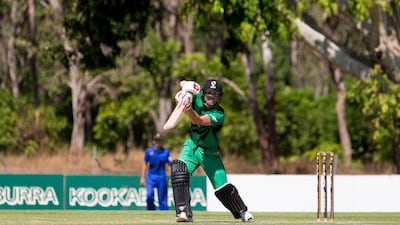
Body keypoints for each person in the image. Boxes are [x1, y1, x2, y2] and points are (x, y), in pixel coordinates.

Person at [170, 79, 253, 222]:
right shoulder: (196, 98)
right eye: (208, 93)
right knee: (179, 169)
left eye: (215, 94)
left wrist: (187, 107)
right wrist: (185, 92)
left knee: (223, 189)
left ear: (219, 97)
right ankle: (183, 212)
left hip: (209, 152)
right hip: (192, 146)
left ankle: (241, 211)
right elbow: (183, 82)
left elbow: (198, 121)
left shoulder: (219, 114)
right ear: (203, 94)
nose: (211, 97)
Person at [140, 133, 172, 210]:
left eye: (159, 140)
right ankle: (151, 211)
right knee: (149, 195)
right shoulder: (149, 151)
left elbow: (169, 165)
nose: (157, 142)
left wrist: (172, 177)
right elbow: (145, 164)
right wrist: (142, 177)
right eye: (156, 140)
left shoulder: (166, 152)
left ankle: (163, 212)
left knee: (162, 196)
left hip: (161, 176)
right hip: (151, 176)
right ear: (153, 141)